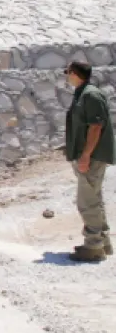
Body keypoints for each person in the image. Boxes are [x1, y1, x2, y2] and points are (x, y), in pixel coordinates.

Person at [63, 61, 115, 262]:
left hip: (92, 157)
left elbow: (95, 127)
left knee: (87, 202)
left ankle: (93, 246)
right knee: (94, 199)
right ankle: (102, 242)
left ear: (75, 73)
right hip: (88, 155)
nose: (66, 76)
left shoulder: (90, 95)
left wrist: (85, 155)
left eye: (68, 72)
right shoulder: (83, 93)